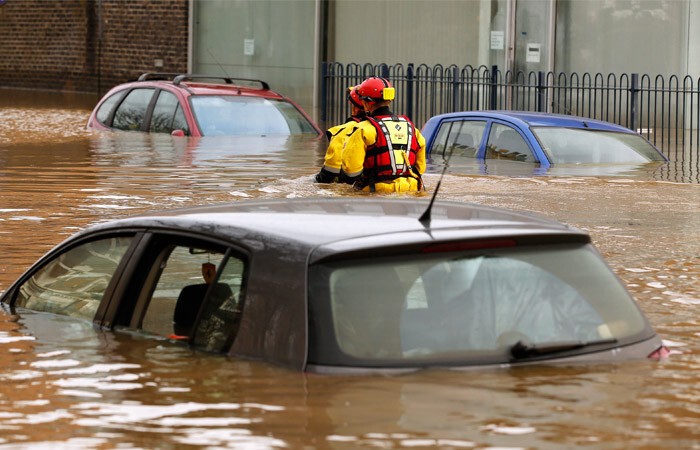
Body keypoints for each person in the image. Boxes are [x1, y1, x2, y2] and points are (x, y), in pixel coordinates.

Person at [340, 77, 426, 193]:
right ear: (389, 101)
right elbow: (420, 168)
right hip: (411, 190)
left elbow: (351, 171)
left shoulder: (362, 129)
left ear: (366, 103)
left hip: (376, 192)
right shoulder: (412, 129)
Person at [314, 85, 366, 183]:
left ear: (355, 108)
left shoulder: (344, 131)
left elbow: (329, 173)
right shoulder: (387, 127)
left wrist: (316, 180)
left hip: (353, 190)